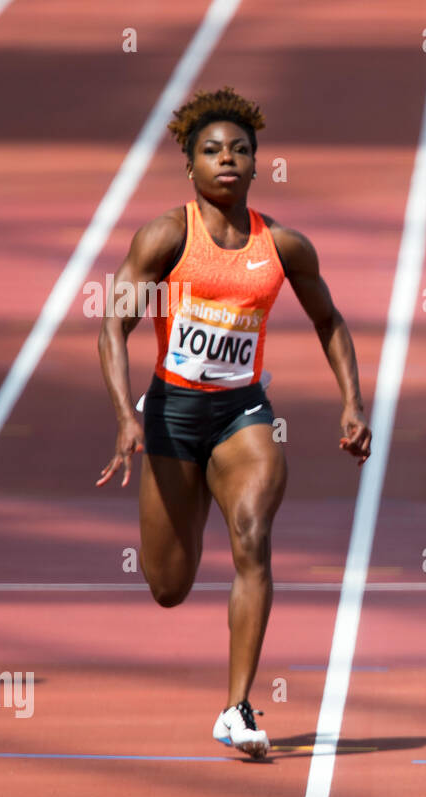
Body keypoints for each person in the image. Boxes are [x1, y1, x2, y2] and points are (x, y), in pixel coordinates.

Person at [96, 87, 371, 758]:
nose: (227, 160)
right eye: (212, 151)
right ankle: (221, 667)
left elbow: (328, 321)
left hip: (243, 414)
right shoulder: (166, 235)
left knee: (252, 535)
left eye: (240, 150)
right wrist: (124, 417)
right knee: (169, 585)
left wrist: (352, 403)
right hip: (169, 413)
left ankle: (238, 706)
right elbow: (114, 321)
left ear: (256, 164)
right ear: (189, 165)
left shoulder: (283, 245)